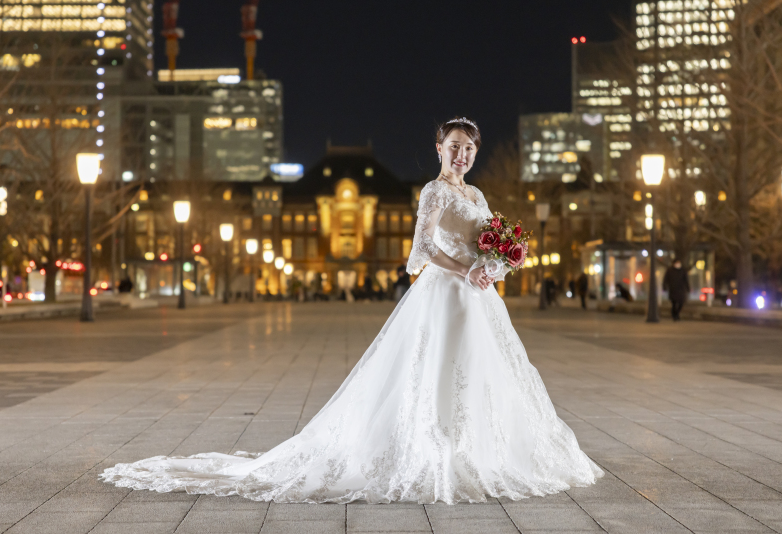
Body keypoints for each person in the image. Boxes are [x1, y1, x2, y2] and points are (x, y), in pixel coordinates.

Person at [101, 116, 603, 504]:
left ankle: (481, 448)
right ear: (439, 149)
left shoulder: (475, 193)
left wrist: (497, 263)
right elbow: (423, 248)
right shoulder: (431, 190)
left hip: (479, 295)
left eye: (469, 148)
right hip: (448, 293)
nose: (462, 155)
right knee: (433, 369)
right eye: (454, 147)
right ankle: (433, 448)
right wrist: (466, 269)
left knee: (483, 373)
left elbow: (491, 239)